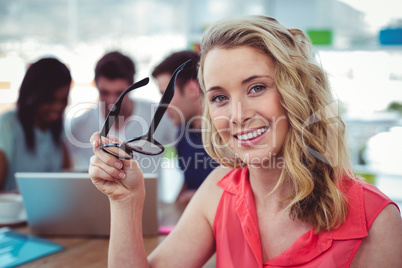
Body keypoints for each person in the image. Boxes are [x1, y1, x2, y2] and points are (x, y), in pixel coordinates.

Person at [88, 16, 402, 267]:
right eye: (220, 97)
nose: (237, 116)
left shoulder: (377, 221)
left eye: (256, 88)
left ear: (297, 92)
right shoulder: (218, 190)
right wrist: (126, 201)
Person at [65, 51, 176, 175]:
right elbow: (66, 169)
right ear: (95, 85)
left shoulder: (159, 115)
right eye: (105, 92)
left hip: (148, 194)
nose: (112, 101)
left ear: (132, 85)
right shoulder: (80, 125)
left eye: (119, 93)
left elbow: (188, 155)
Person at [152, 51, 217, 203]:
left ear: (191, 89)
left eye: (166, 94)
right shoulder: (182, 132)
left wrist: (202, 198)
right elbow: (189, 182)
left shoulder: (227, 133)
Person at [0, 57, 72, 191]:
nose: (57, 107)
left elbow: (68, 179)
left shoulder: (57, 128)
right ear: (31, 95)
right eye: (50, 100)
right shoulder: (7, 124)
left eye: (63, 100)